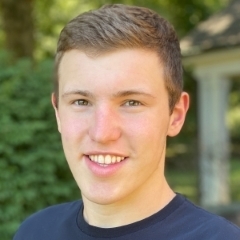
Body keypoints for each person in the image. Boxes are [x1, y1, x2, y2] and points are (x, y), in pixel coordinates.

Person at [13, 4, 240, 240]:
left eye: (131, 102)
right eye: (81, 102)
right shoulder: (34, 232)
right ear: (58, 113)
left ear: (176, 115)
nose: (102, 133)